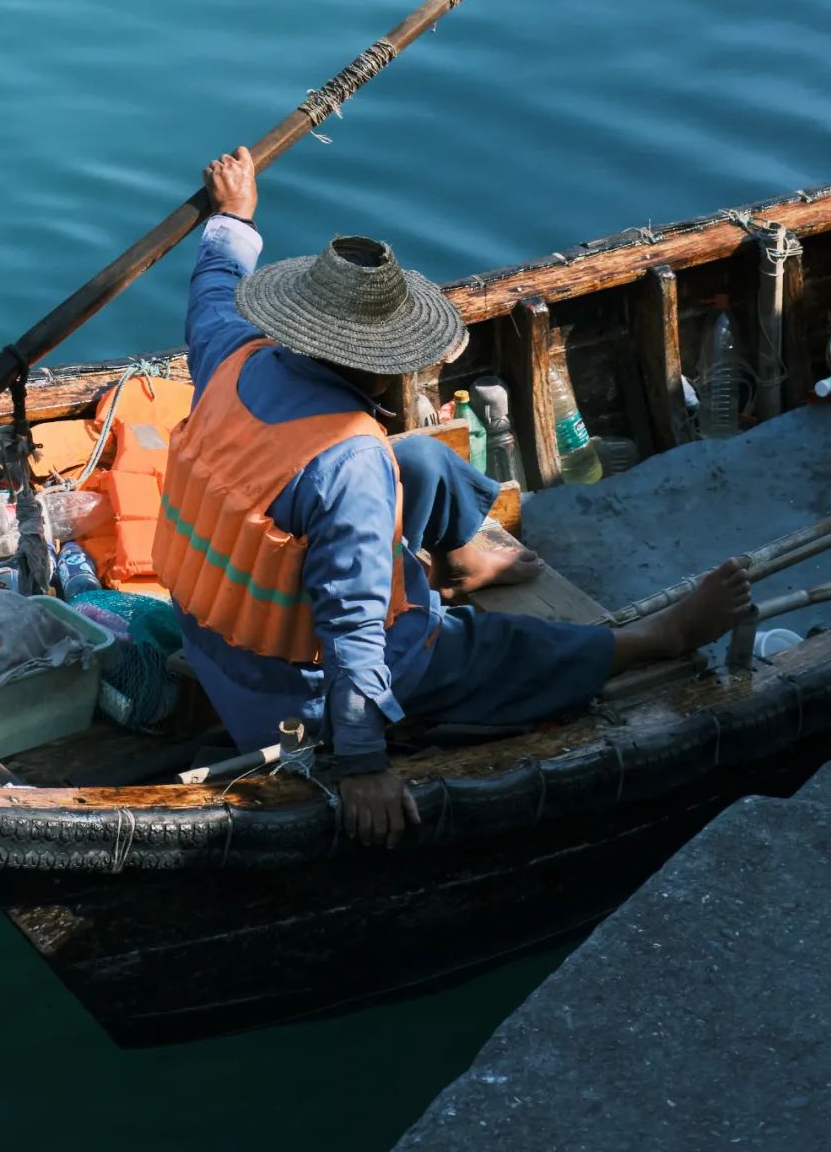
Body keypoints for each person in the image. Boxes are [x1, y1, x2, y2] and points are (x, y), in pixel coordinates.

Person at [154, 147, 752, 849]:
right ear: (381, 366)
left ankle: (462, 560)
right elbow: (353, 632)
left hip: (213, 634)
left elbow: (216, 284)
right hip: (293, 695)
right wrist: (361, 763)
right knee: (501, 648)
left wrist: (232, 216)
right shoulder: (346, 461)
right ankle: (658, 636)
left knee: (423, 458)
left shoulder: (232, 352)